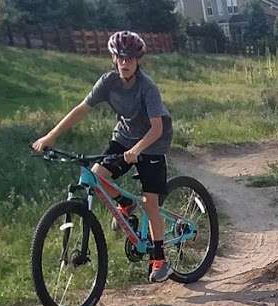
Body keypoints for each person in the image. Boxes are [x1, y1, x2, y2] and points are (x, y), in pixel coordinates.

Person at [33, 31, 174, 283]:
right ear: (113, 58)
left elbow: (157, 128)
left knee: (150, 202)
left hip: (153, 143)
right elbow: (81, 109)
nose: (124, 62)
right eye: (120, 57)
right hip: (124, 138)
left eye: (130, 58)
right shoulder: (108, 82)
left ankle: (160, 259)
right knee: (97, 177)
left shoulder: (147, 87)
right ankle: (125, 204)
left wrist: (137, 151)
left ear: (138, 60)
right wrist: (50, 137)